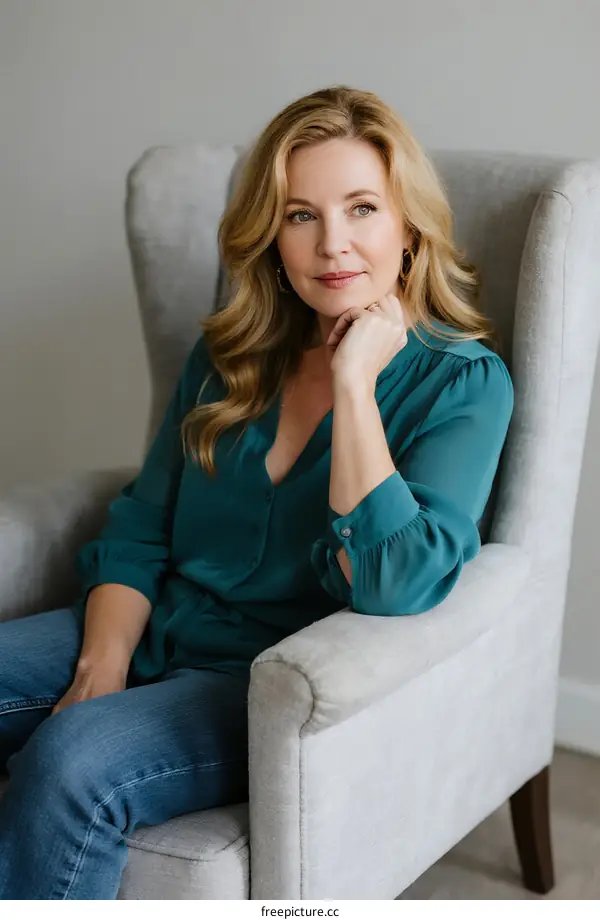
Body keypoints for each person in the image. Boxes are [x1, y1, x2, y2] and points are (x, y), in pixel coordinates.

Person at [0, 84, 514, 899]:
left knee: (74, 762)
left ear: (408, 226)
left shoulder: (464, 384)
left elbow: (397, 585)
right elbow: (142, 522)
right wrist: (103, 666)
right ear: (272, 236)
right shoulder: (232, 353)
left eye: (361, 209)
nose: (333, 244)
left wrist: (354, 388)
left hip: (263, 691)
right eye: (301, 214)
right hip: (157, 626)